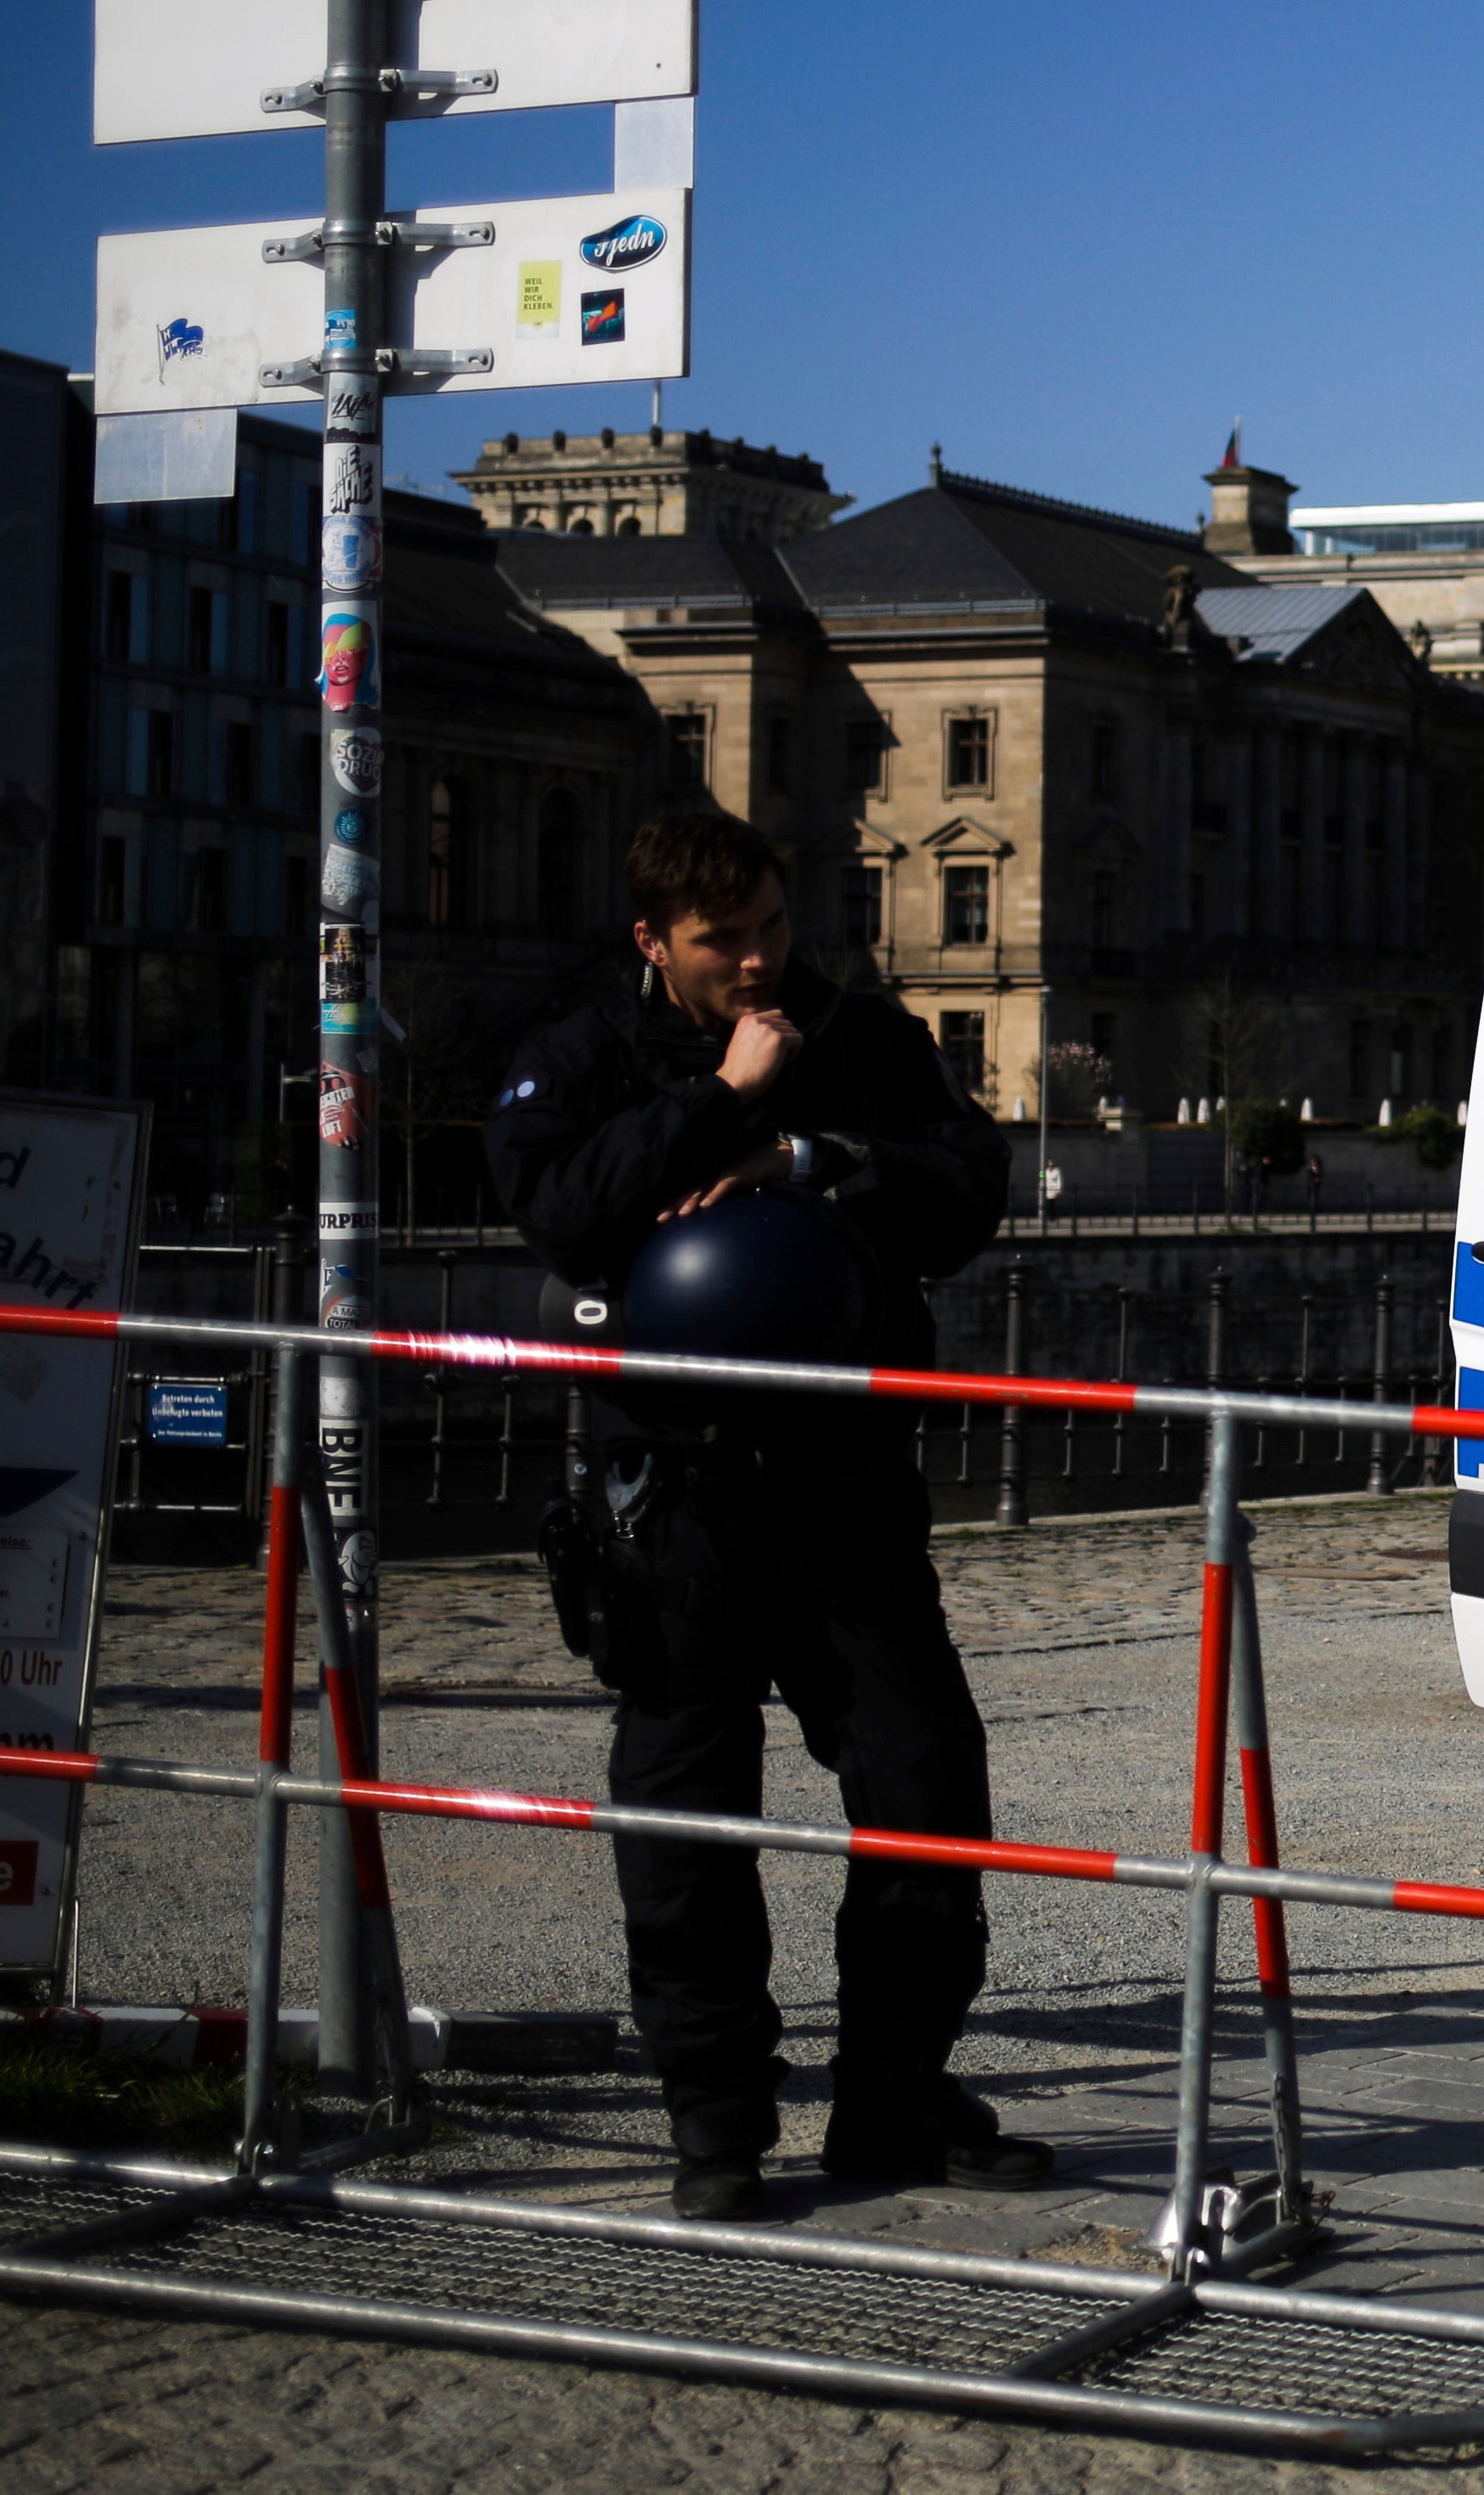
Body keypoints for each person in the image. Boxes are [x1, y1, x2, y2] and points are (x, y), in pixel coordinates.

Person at [487, 810, 1035, 2224]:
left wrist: (806, 1153)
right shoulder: (588, 1052)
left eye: (774, 927)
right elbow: (558, 1205)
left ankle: (894, 2097)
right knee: (683, 1818)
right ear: (653, 942)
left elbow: (973, 1184)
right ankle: (715, 2120)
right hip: (674, 1493)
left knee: (926, 1789)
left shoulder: (855, 1031)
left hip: (847, 1478)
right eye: (723, 939)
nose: (757, 959)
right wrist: (719, 1096)